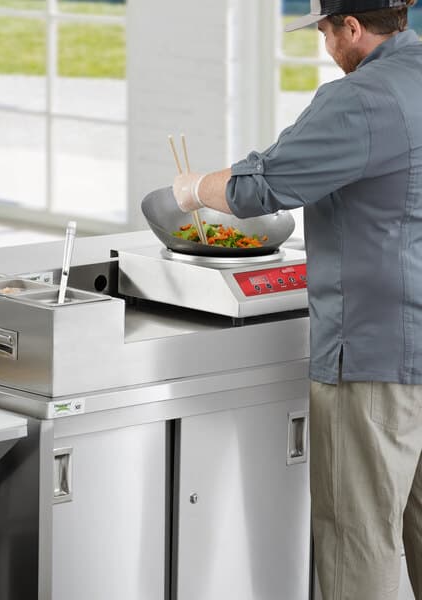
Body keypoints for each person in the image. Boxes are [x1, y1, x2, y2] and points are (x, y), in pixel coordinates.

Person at [172, 1, 422, 598]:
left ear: (352, 29)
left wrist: (194, 188)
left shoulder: (358, 97)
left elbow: (260, 188)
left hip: (372, 350)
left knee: (358, 535)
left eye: (326, 32)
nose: (326, 46)